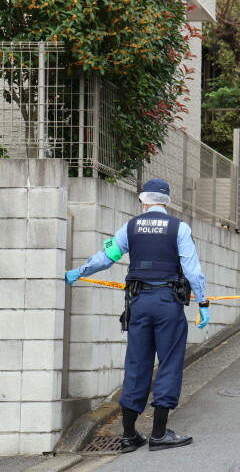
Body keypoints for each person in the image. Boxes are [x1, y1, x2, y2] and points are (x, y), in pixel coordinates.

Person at [64, 179, 209, 453]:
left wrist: (79, 271)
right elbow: (192, 271)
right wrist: (203, 302)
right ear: (167, 201)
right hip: (168, 304)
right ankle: (159, 433)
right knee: (169, 363)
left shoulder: (130, 227)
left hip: (138, 302)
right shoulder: (180, 228)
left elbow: (106, 257)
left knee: (137, 362)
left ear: (143, 201)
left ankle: (129, 436)